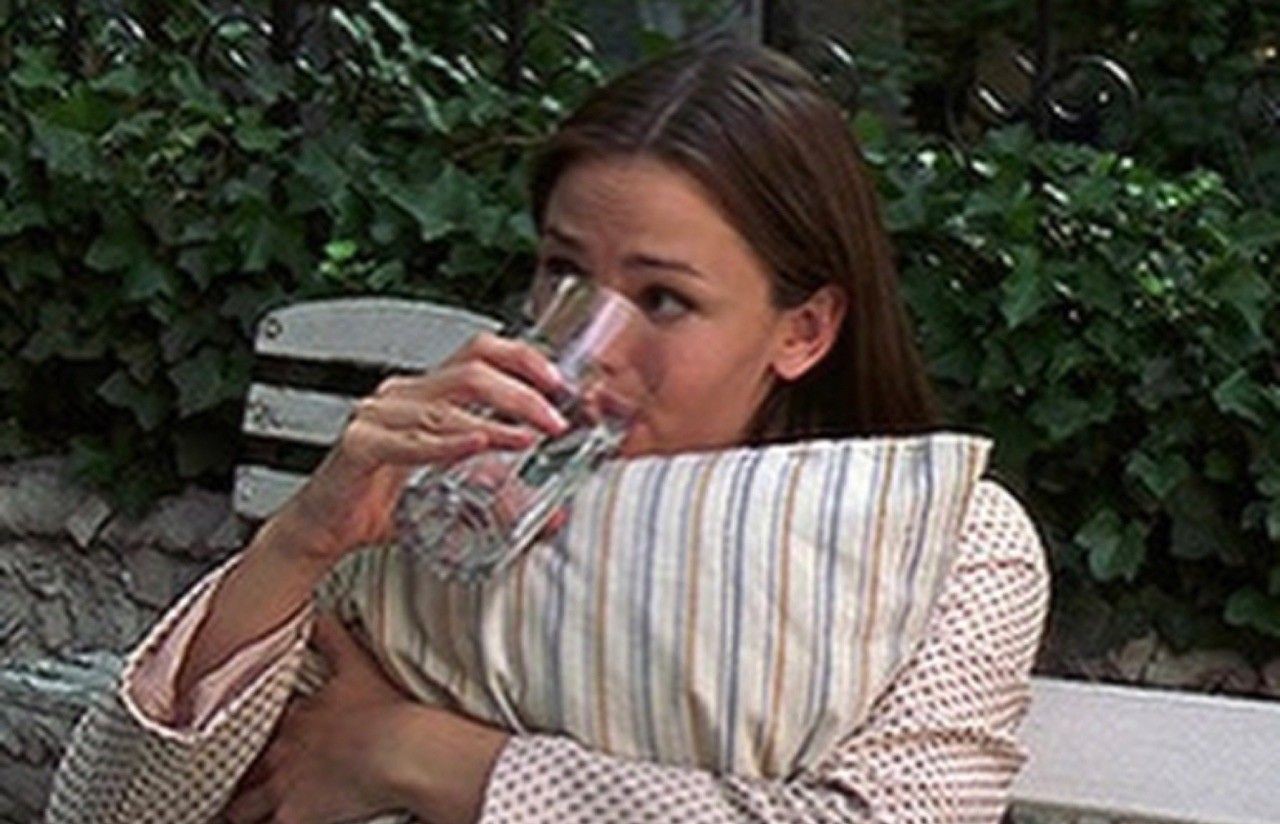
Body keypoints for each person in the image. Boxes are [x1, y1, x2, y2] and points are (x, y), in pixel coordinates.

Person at [47, 39, 1049, 824]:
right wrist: (301, 540)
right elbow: (111, 811)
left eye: (663, 299)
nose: (593, 351)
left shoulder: (945, 546)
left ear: (804, 329)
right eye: (564, 274)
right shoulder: (449, 503)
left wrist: (417, 753)